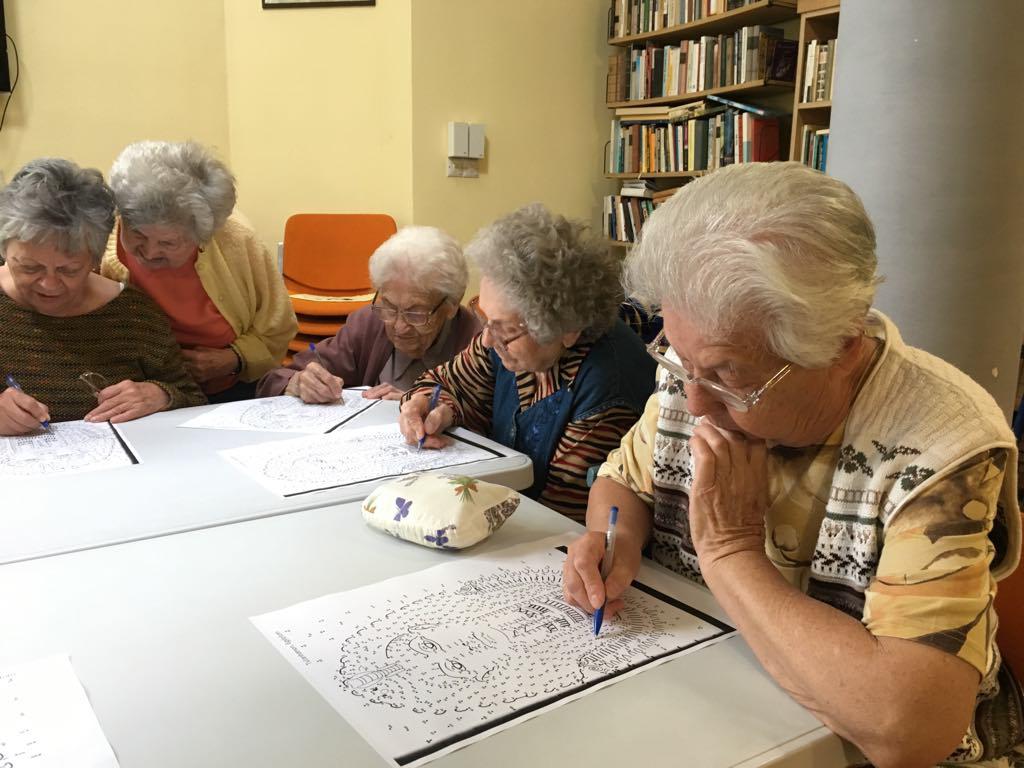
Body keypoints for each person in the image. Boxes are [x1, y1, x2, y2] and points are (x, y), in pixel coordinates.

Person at [562, 162, 1023, 767]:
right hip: (711, 700)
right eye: (679, 361)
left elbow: (908, 731)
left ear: (840, 348)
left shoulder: (942, 446)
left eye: (727, 375)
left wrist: (729, 552)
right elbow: (624, 481)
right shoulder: (697, 365)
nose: (693, 402)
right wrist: (612, 540)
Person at [399, 204, 656, 521]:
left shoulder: (606, 387)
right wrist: (432, 405)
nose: (487, 339)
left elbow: (560, 516)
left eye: (504, 328)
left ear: (566, 328)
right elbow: (441, 383)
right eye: (483, 316)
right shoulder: (506, 341)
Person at [0, 158, 205, 434]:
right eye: (29, 267)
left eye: (69, 270)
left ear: (96, 260)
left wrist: (162, 395)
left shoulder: (135, 315)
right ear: (4, 250)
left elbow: (195, 400)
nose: (49, 284)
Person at [101, 140, 297, 403]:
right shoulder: (102, 243)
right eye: (137, 234)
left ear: (202, 235)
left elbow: (278, 325)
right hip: (140, 392)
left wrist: (235, 357)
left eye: (168, 243)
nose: (149, 252)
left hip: (232, 386)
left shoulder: (237, 242)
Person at [257, 226, 479, 402]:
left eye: (415, 313)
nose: (399, 327)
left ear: (452, 303)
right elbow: (273, 380)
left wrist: (427, 406)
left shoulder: (477, 342)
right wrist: (298, 382)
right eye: (390, 307)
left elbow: (489, 425)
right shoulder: (369, 324)